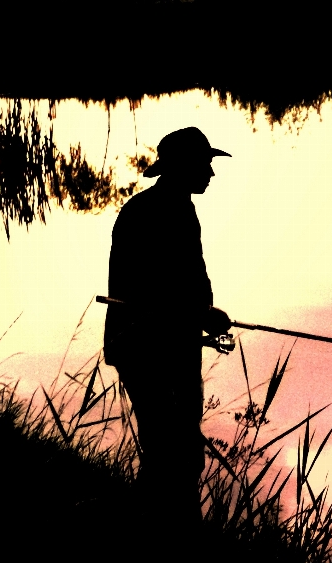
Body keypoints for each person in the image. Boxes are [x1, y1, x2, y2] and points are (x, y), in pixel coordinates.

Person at [104, 126, 232, 528]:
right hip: (146, 347)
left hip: (172, 342)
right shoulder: (152, 211)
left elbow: (187, 281)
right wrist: (201, 316)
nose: (211, 174)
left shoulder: (178, 208)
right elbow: (151, 289)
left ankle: (166, 527)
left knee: (180, 450)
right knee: (170, 451)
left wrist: (202, 315)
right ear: (182, 167)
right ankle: (159, 531)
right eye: (205, 164)